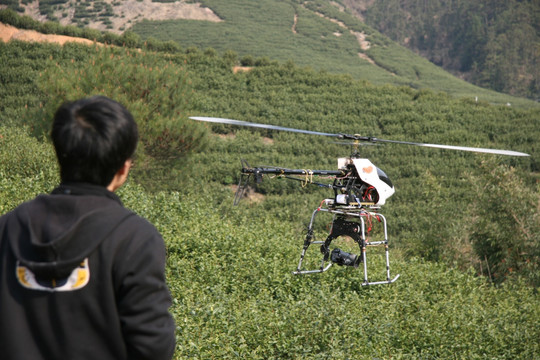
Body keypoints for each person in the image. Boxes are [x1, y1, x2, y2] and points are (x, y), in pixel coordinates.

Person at [0, 96, 176, 360]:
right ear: (124, 168)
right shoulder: (135, 240)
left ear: (59, 154)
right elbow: (153, 348)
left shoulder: (7, 228)